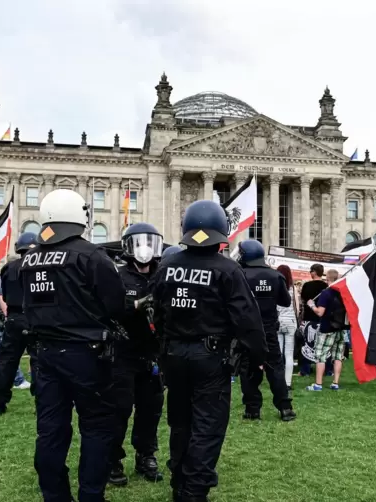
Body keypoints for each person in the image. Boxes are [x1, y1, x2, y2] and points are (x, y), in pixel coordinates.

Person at [152, 200, 267, 502]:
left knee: (180, 422)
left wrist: (163, 352)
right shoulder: (227, 269)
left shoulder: (167, 266)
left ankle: (179, 481)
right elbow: (247, 319)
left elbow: (158, 314)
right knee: (207, 427)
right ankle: (193, 492)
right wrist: (258, 358)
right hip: (210, 359)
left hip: (174, 356)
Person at [19, 189, 125, 502]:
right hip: (86, 356)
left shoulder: (29, 259)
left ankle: (55, 496)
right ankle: (91, 496)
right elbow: (115, 305)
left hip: (45, 354)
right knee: (95, 429)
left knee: (50, 430)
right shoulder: (91, 256)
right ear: (80, 217)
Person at [108, 222, 165, 486]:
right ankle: (113, 459)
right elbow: (108, 307)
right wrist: (135, 305)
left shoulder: (163, 274)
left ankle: (146, 455)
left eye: (149, 242)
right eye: (139, 242)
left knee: (150, 409)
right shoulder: (117, 276)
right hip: (124, 352)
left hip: (153, 354)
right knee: (119, 409)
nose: (144, 249)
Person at [237, 239, 295, 421]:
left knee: (248, 370)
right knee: (275, 369)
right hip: (269, 330)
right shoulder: (276, 276)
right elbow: (285, 302)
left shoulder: (240, 275)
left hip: (248, 331)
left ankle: (252, 409)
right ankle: (285, 408)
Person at [0, 232, 39, 415]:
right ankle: (41, 402)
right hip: (34, 318)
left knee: (6, 362)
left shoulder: (8, 268)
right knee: (38, 361)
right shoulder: (40, 266)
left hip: (13, 318)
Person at [305, 269, 348, 391]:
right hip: (341, 328)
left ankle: (318, 384)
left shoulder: (326, 293)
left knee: (320, 355)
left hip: (327, 328)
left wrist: (312, 305)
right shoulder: (343, 292)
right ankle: (335, 383)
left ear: (327, 279)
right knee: (338, 356)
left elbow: (320, 312)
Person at [298, 264, 327, 376]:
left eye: (311, 271)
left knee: (307, 345)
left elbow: (303, 300)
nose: (310, 273)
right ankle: (327, 369)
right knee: (324, 346)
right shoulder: (326, 286)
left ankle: (305, 370)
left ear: (314, 272)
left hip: (309, 319)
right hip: (323, 318)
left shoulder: (307, 285)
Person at [276, 264, 298, 389]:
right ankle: (288, 382)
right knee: (289, 354)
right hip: (290, 321)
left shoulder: (275, 286)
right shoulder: (293, 288)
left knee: (278, 353)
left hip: (278, 320)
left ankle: (278, 380)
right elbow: (297, 307)